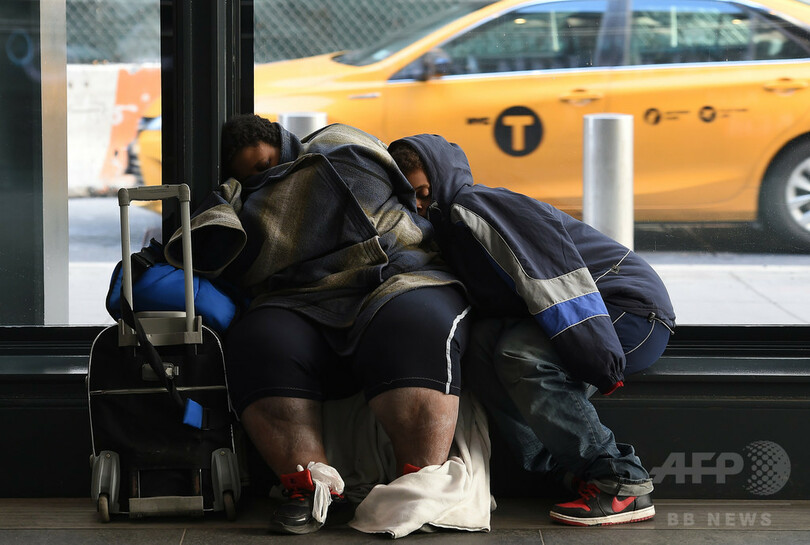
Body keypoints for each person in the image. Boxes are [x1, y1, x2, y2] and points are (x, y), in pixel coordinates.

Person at [165, 116, 472, 534]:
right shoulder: (240, 196)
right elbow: (248, 245)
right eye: (250, 173)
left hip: (395, 271)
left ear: (281, 142)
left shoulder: (337, 143)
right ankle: (307, 487)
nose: (265, 175)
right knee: (260, 340)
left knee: (416, 325)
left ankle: (418, 482)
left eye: (267, 162)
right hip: (300, 291)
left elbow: (378, 190)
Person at [388, 134, 676, 526]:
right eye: (411, 198)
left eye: (424, 191)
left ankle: (620, 480)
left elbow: (557, 279)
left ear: (441, 177)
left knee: (520, 354)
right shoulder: (447, 229)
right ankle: (567, 469)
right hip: (587, 308)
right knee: (484, 347)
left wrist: (599, 358)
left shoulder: (476, 207)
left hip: (630, 312)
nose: (420, 205)